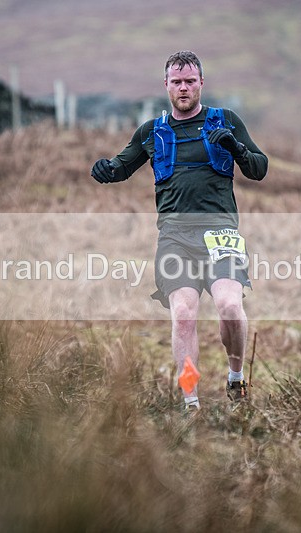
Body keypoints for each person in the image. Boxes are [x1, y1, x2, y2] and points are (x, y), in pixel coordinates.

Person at [90, 51, 268, 411]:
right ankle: (191, 400)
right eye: (176, 81)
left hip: (221, 236)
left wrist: (234, 146)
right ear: (166, 86)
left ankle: (236, 378)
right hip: (175, 239)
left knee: (230, 307)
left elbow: (259, 168)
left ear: (201, 83)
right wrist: (104, 170)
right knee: (183, 316)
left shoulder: (226, 121)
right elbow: (121, 167)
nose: (183, 87)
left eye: (190, 81)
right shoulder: (152, 132)